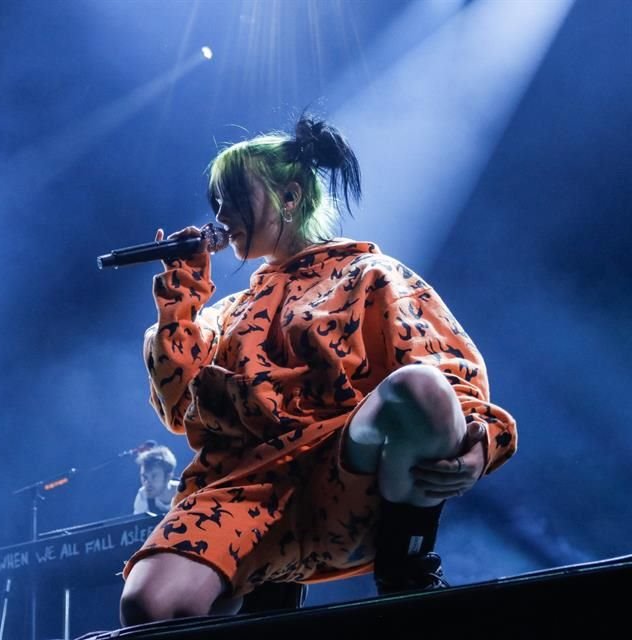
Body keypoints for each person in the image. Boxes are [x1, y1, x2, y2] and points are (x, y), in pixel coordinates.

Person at [118, 114, 517, 625]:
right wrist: (180, 308)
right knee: (148, 604)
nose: (222, 214)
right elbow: (180, 409)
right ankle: (264, 583)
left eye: (235, 197)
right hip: (247, 485)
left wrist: (481, 443)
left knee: (418, 387)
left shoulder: (370, 275)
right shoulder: (225, 314)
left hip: (346, 467)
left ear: (290, 196)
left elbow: (445, 370)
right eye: (215, 203)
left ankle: (407, 561)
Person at [133, 445, 181, 515]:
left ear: (168, 476)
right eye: (144, 477)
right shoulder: (142, 496)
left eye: (154, 476)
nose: (147, 483)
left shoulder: (187, 491)